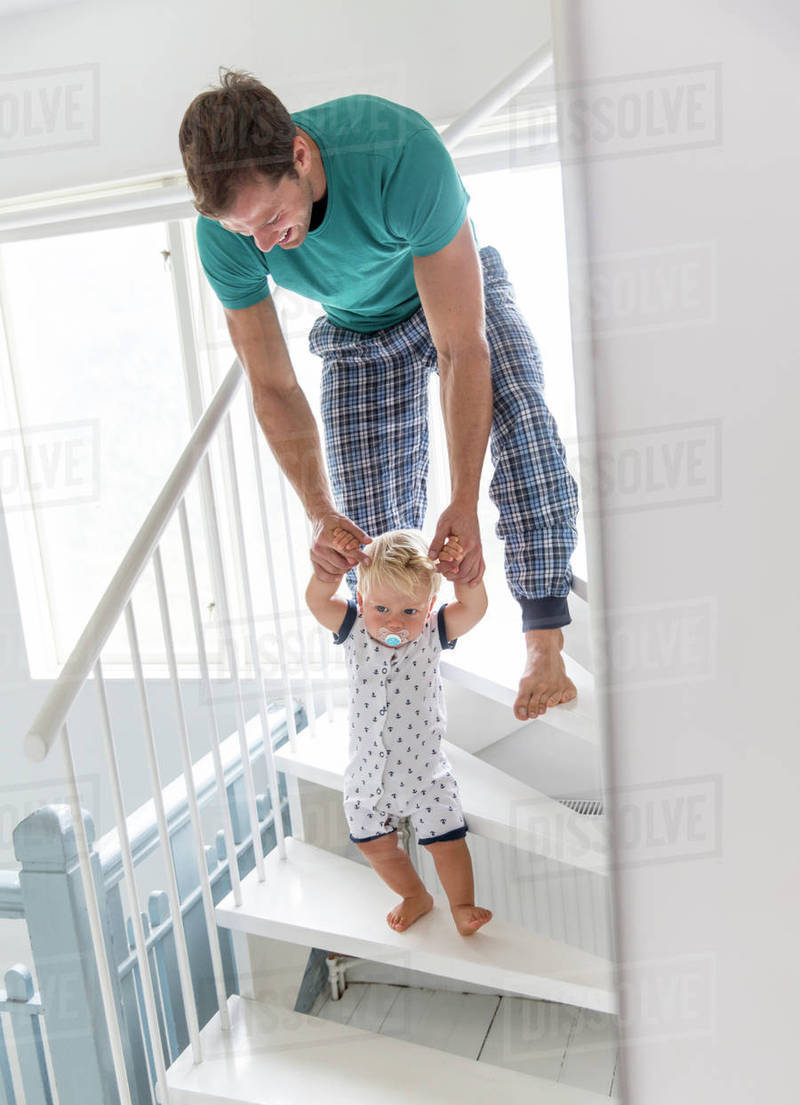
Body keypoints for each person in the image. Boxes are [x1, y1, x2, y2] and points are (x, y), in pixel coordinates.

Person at [179, 70, 580, 720]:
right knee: (361, 535)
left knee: (524, 421)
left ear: (300, 156)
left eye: (272, 219)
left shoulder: (398, 152)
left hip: (453, 299)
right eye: (243, 230)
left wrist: (464, 500)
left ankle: (543, 641)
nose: (262, 245)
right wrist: (319, 513)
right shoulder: (224, 238)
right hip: (357, 332)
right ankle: (403, 690)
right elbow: (274, 385)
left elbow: (461, 347)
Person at [306, 528, 491, 935]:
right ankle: (414, 895)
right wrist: (330, 570)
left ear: (428, 607)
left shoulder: (433, 633)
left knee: (447, 841)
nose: (395, 622)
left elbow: (474, 608)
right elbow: (317, 601)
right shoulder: (353, 629)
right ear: (361, 600)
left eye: (409, 611)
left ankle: (462, 905)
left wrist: (461, 573)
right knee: (372, 844)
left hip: (425, 776)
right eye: (381, 609)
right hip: (365, 777)